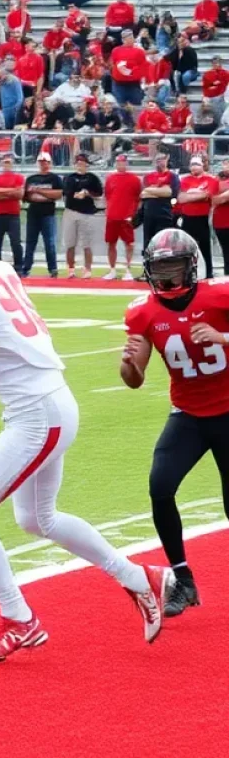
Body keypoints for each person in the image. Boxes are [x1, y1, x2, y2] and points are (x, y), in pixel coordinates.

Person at [0, 195, 171, 662]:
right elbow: (3, 344)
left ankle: (19, 620)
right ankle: (139, 578)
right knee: (36, 519)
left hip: (37, 415)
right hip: (49, 399)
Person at [121, 229, 229, 615]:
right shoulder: (143, 311)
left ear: (192, 266)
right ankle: (182, 581)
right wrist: (128, 365)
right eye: (161, 269)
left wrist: (222, 336)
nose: (167, 277)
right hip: (188, 413)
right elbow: (135, 381)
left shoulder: (220, 295)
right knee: (160, 485)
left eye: (174, 267)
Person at [21, 152, 62, 278]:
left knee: (50, 243)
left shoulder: (55, 178)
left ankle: (53, 268)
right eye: (41, 162)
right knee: (30, 243)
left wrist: (39, 191)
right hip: (33, 212)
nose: (44, 164)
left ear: (49, 163)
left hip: (48, 213)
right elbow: (26, 196)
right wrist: (46, 194)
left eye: (46, 162)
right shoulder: (31, 178)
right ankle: (26, 267)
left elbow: (58, 195)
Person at [176, 155, 217, 279]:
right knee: (186, 248)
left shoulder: (211, 179)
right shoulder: (184, 180)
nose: (194, 167)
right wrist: (199, 195)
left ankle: (208, 273)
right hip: (187, 218)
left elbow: (208, 195)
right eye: (192, 164)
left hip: (203, 218)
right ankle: (187, 274)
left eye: (197, 164)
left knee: (205, 247)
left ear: (202, 165)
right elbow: (181, 199)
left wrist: (190, 195)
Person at [62, 153, 103, 277]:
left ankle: (88, 269)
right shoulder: (69, 177)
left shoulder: (92, 178)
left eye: (82, 162)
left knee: (87, 243)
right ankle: (71, 269)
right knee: (70, 243)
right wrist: (77, 194)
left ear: (86, 164)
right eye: (78, 162)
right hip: (71, 211)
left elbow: (99, 193)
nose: (79, 164)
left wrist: (87, 193)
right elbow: (67, 192)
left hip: (87, 213)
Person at [102, 155, 142, 280]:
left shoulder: (135, 179)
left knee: (129, 244)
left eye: (123, 162)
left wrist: (133, 213)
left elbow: (138, 197)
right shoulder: (110, 179)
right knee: (111, 243)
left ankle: (128, 269)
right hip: (113, 216)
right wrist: (108, 211)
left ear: (127, 163)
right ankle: (112, 269)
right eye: (118, 162)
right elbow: (108, 196)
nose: (121, 165)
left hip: (126, 217)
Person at [0, 156, 24, 274]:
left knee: (16, 242)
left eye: (9, 162)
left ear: (12, 164)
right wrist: (11, 191)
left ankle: (18, 267)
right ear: (1, 163)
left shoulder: (18, 177)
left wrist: (1, 191)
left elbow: (19, 194)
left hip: (13, 214)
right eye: (5, 162)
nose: (7, 164)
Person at [139, 153, 179, 253]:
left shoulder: (172, 176)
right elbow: (143, 194)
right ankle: (147, 265)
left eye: (162, 160)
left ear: (166, 160)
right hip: (149, 214)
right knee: (148, 243)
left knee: (163, 243)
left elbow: (171, 193)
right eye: (157, 160)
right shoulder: (148, 177)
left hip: (165, 214)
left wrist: (151, 190)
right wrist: (162, 191)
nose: (160, 162)